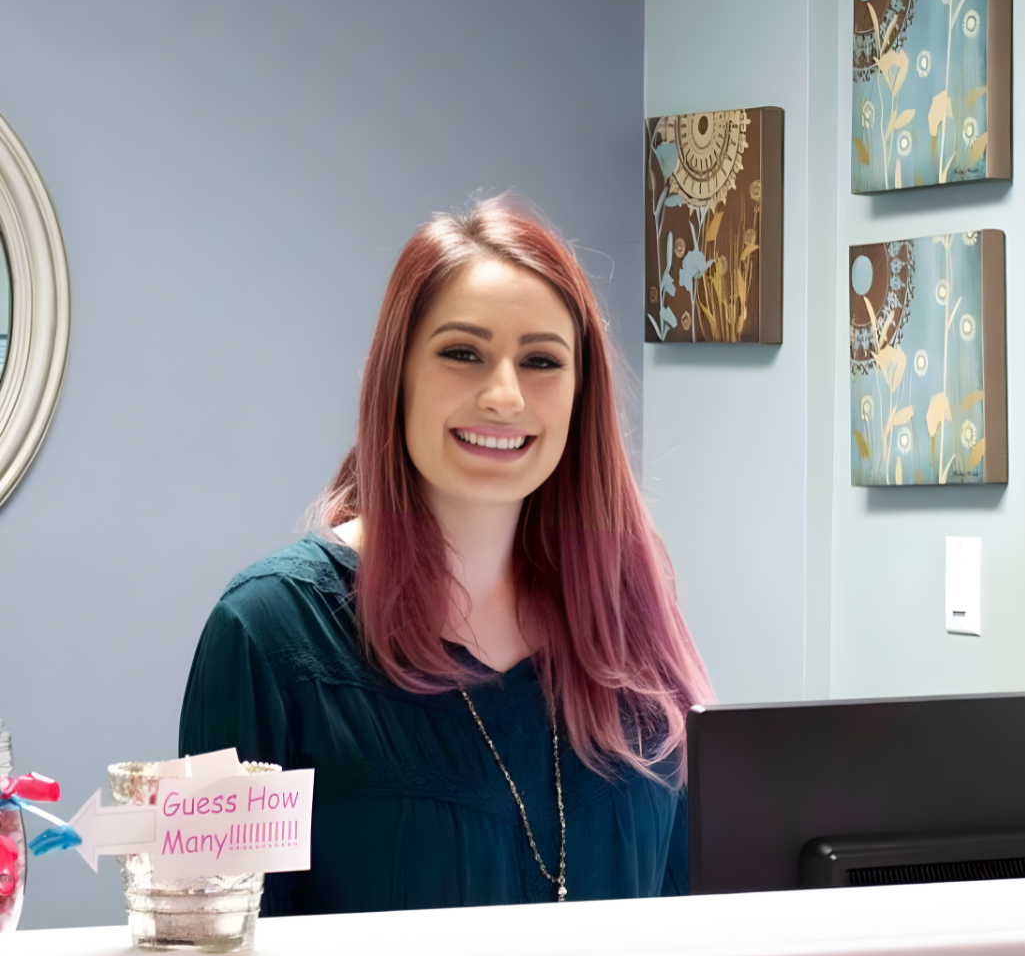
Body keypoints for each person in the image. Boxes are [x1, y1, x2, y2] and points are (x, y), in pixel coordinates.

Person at [178, 198, 711, 913]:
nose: (503, 394)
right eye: (463, 353)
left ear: (582, 395)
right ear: (396, 377)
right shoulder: (264, 633)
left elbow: (696, 930)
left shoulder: (628, 623)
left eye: (542, 360)